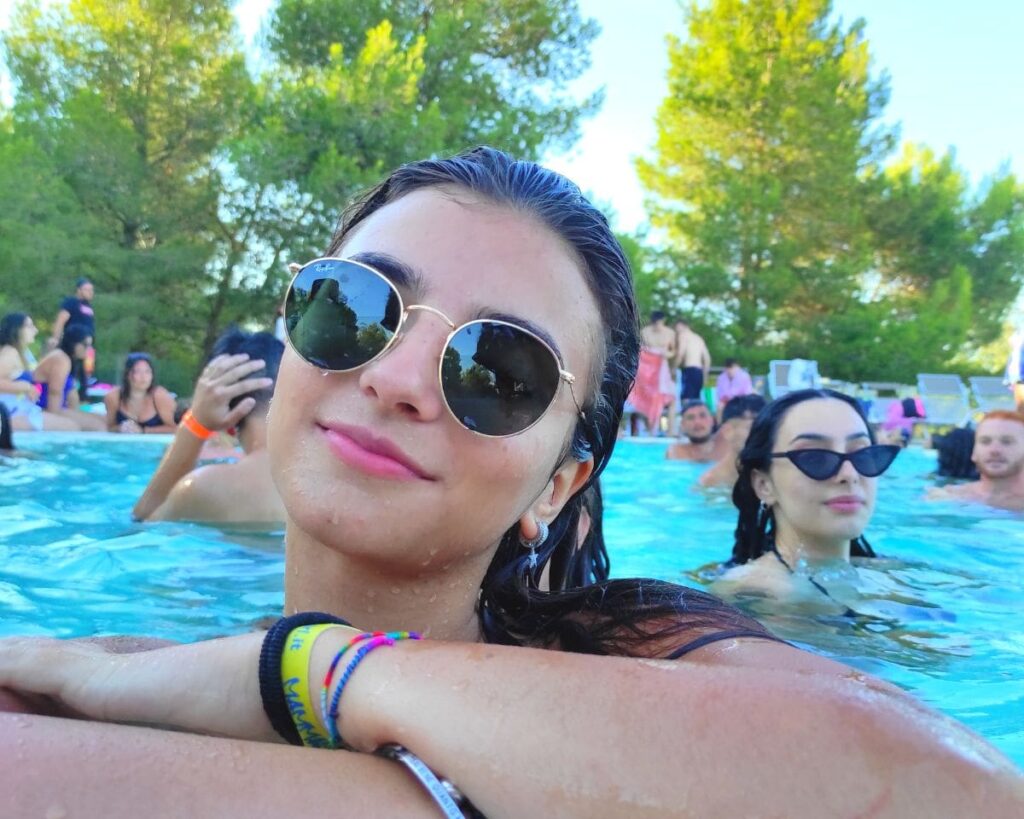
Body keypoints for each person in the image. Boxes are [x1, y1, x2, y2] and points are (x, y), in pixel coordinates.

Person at [1, 149, 1021, 818]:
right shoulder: (104, 679)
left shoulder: (633, 646)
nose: (396, 378)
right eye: (352, 305)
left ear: (557, 484)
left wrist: (303, 670)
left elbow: (955, 792)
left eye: (501, 370)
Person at [715, 389, 899, 604]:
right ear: (764, 485)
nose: (849, 475)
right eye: (814, 457)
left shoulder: (892, 577)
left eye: (862, 454)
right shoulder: (748, 595)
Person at [132, 328, 285, 524]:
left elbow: (142, 522)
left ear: (228, 423)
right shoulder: (323, 478)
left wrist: (196, 421)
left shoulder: (206, 488)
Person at [927, 411, 1024, 511]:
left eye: (1007, 442)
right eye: (985, 441)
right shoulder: (946, 497)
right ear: (974, 453)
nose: (994, 450)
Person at [0, 313, 79, 431]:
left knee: (71, 425)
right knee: (71, 427)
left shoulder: (22, 353)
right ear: (16, 329)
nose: (35, 330)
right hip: (11, 413)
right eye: (30, 326)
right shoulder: (10, 353)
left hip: (19, 410)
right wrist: (25, 387)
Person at [32, 325, 106, 431]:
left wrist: (76, 414)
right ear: (73, 343)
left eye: (90, 345)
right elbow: (54, 393)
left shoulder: (67, 360)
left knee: (105, 421)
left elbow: (72, 397)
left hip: (57, 408)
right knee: (98, 426)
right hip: (44, 409)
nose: (88, 349)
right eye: (85, 345)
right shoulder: (60, 358)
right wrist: (56, 421)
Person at [699, 394, 766, 488]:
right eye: (753, 427)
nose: (762, 434)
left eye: (765, 428)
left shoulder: (773, 473)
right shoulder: (711, 483)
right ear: (728, 431)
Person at [625, 310, 676, 434]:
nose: (657, 326)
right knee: (640, 396)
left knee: (663, 396)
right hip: (645, 367)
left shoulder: (670, 333)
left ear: (663, 321)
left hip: (660, 368)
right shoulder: (645, 332)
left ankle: (663, 429)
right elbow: (637, 350)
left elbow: (673, 351)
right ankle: (636, 430)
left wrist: (666, 354)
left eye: (659, 323)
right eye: (655, 323)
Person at [48, 277, 96, 401]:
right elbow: (61, 320)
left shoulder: (89, 306)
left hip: (87, 345)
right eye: (87, 289)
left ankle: (83, 398)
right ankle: (64, 397)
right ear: (79, 290)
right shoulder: (71, 302)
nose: (90, 292)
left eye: (92, 290)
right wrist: (55, 338)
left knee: (86, 372)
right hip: (74, 343)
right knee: (70, 369)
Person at [103, 353, 177, 434]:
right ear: (127, 374)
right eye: (138, 371)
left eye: (147, 371)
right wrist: (120, 428)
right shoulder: (114, 397)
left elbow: (177, 428)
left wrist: (144, 430)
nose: (143, 377)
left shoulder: (160, 396)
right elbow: (109, 427)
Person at [674, 317, 710, 401]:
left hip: (689, 370)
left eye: (677, 327)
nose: (676, 330)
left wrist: (673, 368)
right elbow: (707, 358)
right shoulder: (698, 338)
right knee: (695, 400)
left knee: (686, 399)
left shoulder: (683, 335)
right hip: (699, 372)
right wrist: (705, 375)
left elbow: (680, 354)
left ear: (682, 326)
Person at [713, 357, 753, 421]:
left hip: (741, 401)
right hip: (727, 401)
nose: (730, 370)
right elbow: (720, 394)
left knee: (747, 410)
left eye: (732, 368)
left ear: (737, 367)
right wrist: (726, 399)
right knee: (719, 406)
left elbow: (748, 393)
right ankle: (719, 425)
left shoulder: (744, 376)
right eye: (728, 368)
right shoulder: (721, 378)